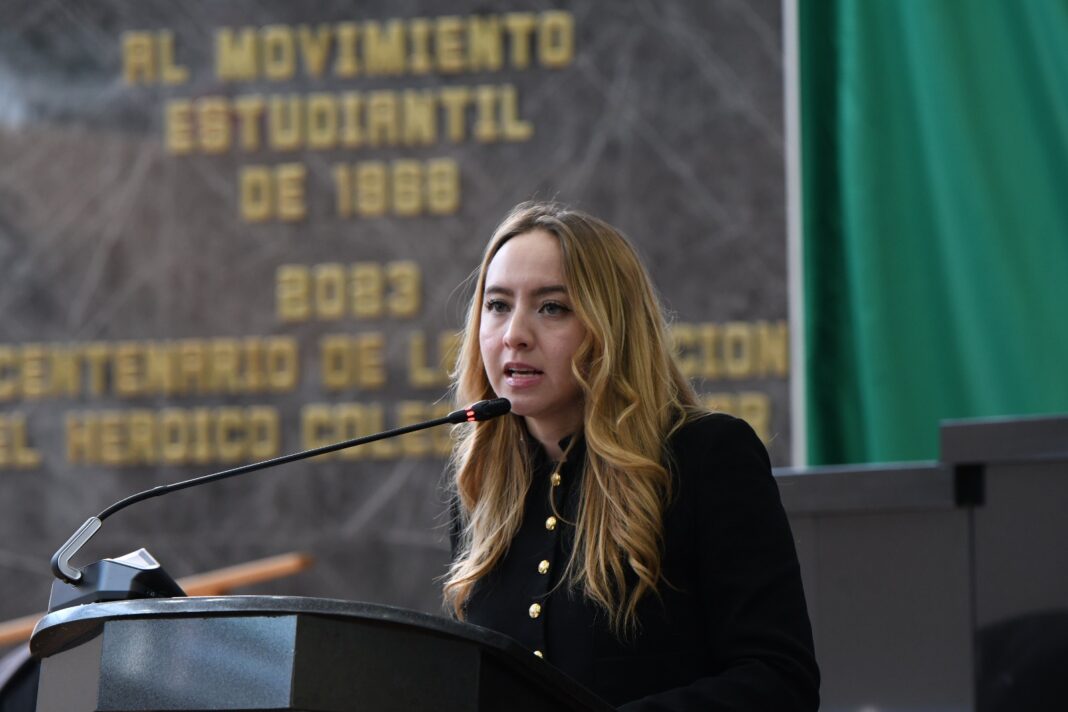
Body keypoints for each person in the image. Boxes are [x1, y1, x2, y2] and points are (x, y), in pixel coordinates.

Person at [444, 201, 819, 710]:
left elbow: (780, 680)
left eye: (552, 307)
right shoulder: (482, 483)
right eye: (497, 305)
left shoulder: (706, 457)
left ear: (612, 327)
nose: (514, 335)